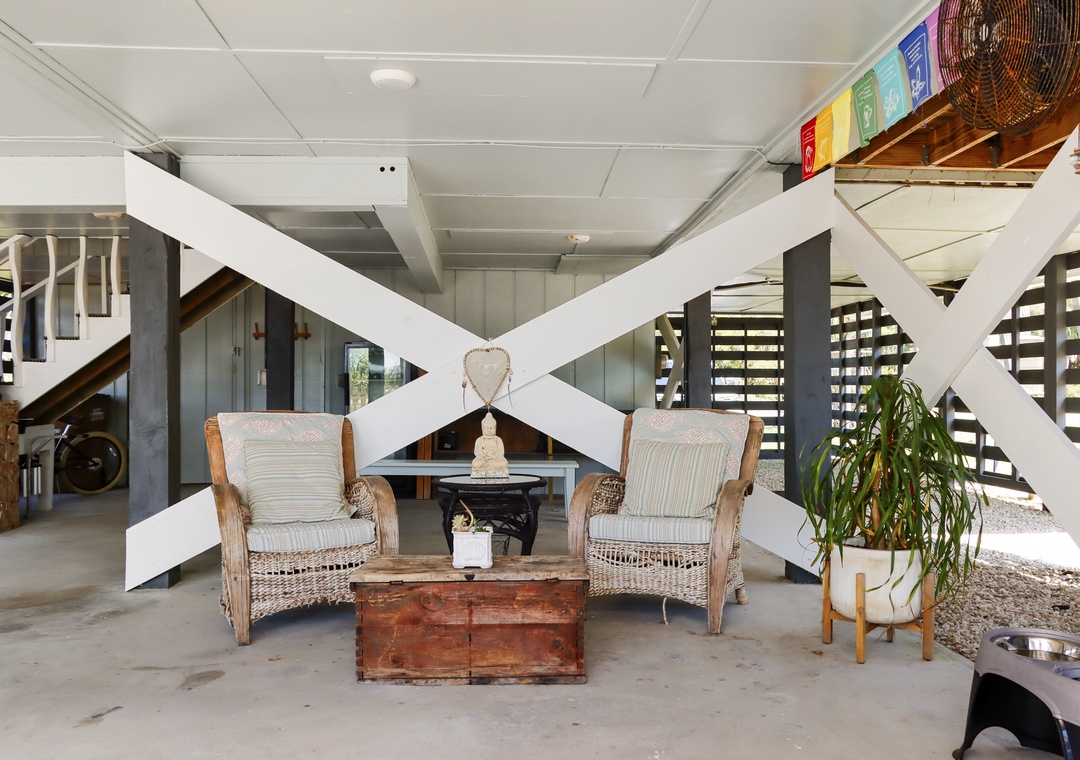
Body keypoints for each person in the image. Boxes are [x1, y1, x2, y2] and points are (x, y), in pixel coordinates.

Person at [471, 411, 509, 479]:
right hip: (484, 460)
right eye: (487, 428)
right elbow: (477, 452)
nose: (489, 430)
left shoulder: (498, 440)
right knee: (475, 464)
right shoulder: (480, 440)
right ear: (483, 428)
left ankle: (491, 466)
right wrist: (484, 456)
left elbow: (501, 452)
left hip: (496, 460)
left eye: (491, 428)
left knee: (504, 463)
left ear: (495, 428)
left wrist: (495, 456)